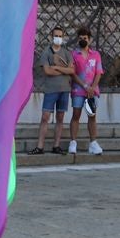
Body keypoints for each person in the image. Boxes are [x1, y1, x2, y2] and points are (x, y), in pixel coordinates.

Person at [30, 27, 74, 155]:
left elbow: (72, 70)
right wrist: (63, 69)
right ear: (51, 36)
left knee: (60, 117)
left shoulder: (66, 53)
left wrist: (56, 67)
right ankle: (40, 146)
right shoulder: (46, 52)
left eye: (60, 36)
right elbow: (47, 71)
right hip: (50, 90)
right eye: (56, 36)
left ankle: (56, 145)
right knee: (45, 117)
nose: (58, 38)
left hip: (64, 90)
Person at [68, 26, 104, 155]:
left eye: (85, 38)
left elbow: (98, 72)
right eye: (80, 38)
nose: (83, 40)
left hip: (92, 92)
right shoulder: (74, 55)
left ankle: (93, 143)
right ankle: (73, 142)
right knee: (76, 115)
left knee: (92, 116)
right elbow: (72, 73)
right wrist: (84, 86)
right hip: (78, 89)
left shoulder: (96, 55)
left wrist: (92, 88)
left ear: (90, 40)